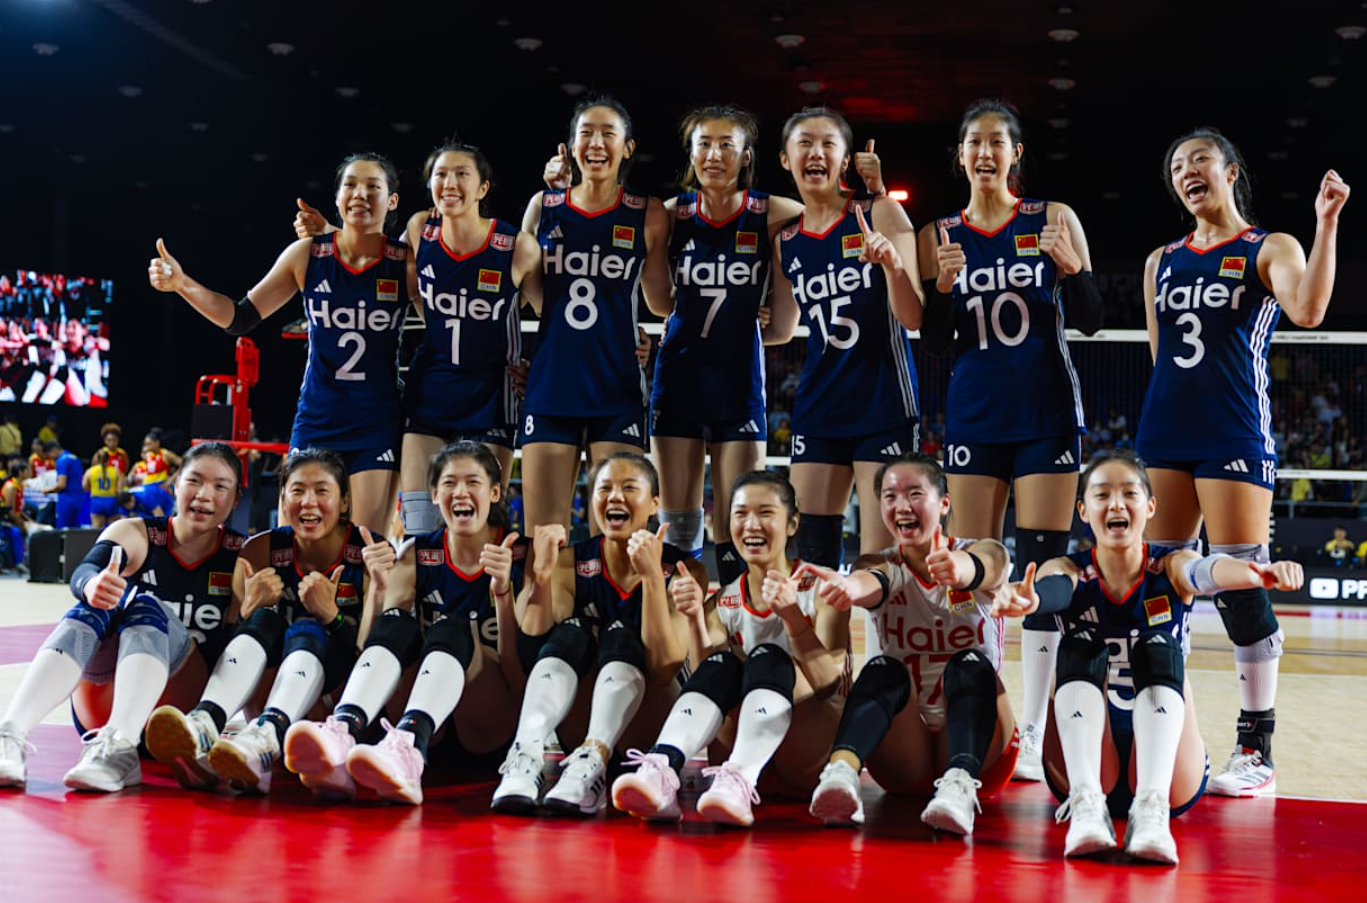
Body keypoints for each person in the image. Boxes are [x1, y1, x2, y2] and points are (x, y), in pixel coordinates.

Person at [1135, 128, 1349, 796]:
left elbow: (1308, 309)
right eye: (1176, 165)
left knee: (1240, 581)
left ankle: (1256, 748)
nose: (1186, 171)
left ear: (1230, 171)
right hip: (1164, 432)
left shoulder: (1269, 246)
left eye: (1199, 159)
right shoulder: (1160, 260)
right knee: (1158, 579)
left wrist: (1324, 224)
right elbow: (1159, 355)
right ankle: (1161, 725)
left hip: (1233, 431)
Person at [991, 451, 1303, 863]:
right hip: (1086, 760)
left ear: (1150, 506)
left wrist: (1252, 574)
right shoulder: (1067, 569)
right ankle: (1086, 806)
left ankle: (1151, 811)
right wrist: (1032, 600)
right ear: (1083, 511)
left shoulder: (1171, 566)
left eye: (1129, 493)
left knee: (1158, 646)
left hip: (1168, 771)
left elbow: (1204, 571)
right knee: (1080, 643)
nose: (1116, 504)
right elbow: (1054, 588)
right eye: (1102, 495)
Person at [916, 100, 1102, 783]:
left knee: (1040, 568)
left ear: (1015, 153)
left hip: (1046, 411)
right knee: (973, 566)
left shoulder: (1053, 218)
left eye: (997, 141)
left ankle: (1034, 723)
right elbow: (935, 343)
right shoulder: (938, 233)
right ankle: (982, 708)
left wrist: (1073, 271)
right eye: (974, 142)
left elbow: (1090, 321)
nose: (985, 152)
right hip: (974, 414)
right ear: (961, 155)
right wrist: (941, 287)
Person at [150, 153, 409, 534]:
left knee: (368, 546)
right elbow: (239, 318)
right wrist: (182, 284)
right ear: (337, 197)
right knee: (295, 543)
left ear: (392, 200)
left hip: (378, 423)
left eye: (373, 186)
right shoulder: (307, 254)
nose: (360, 194)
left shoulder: (405, 263)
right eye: (351, 185)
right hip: (318, 419)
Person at [294, 142, 542, 534]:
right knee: (419, 527)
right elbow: (373, 256)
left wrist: (538, 367)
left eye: (462, 174)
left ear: (483, 188)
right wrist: (329, 232)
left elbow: (556, 319)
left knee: (481, 524)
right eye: (441, 174)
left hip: (492, 396)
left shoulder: (516, 247)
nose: (450, 182)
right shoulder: (419, 229)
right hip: (430, 391)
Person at [282, 441, 531, 804]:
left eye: (472, 482)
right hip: (413, 719)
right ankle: (345, 729)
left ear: (494, 492)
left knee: (451, 628)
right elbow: (369, 651)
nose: (460, 492)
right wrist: (378, 589)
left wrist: (502, 594)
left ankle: (409, 745)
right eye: (449, 483)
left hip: (487, 724)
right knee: (397, 621)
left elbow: (517, 677)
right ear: (434, 495)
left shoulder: (519, 554)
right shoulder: (416, 554)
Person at [0, 443, 245, 792]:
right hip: (102, 705)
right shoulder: (137, 533)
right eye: (194, 481)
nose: (204, 495)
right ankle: (11, 734)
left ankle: (121, 744)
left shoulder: (243, 554)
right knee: (100, 603)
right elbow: (86, 570)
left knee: (146, 607)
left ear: (236, 500)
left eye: (220, 486)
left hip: (180, 716)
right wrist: (91, 585)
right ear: (175, 484)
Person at [610, 470, 848, 826]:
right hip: (725, 767)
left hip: (805, 754)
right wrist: (694, 618)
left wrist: (792, 617)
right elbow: (708, 678)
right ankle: (662, 765)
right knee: (722, 664)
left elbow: (830, 685)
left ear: (793, 523)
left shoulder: (822, 587)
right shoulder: (724, 600)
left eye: (765, 513)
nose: (751, 525)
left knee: (767, 658)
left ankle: (740, 774)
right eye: (740, 514)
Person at [799, 453, 1014, 836]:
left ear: (944, 503)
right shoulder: (880, 562)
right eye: (890, 496)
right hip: (904, 752)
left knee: (968, 662)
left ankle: (960, 786)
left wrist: (961, 570)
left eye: (914, 494)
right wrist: (849, 587)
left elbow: (988, 565)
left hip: (983, 753)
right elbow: (872, 580)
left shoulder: (984, 549)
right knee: (883, 668)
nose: (901, 506)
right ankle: (840, 773)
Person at [144, 448, 375, 794]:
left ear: (344, 501)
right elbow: (232, 648)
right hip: (270, 696)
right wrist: (246, 611)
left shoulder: (370, 553)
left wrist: (333, 616)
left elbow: (378, 655)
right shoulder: (259, 551)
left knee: (308, 628)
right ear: (282, 498)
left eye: (321, 491)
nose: (308, 502)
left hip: (341, 706)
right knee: (264, 619)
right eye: (297, 490)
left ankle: (265, 739)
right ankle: (209, 724)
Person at [491, 452, 704, 815]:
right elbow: (528, 657)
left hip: (647, 726)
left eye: (629, 487)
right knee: (571, 633)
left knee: (620, 634)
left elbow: (664, 668)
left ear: (655, 503)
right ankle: (526, 755)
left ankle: (596, 758)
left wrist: (653, 579)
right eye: (604, 489)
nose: (615, 496)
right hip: (579, 722)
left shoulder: (684, 569)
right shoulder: (570, 563)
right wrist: (540, 578)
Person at [648, 105, 806, 584]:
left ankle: (738, 623)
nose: (714, 155)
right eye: (704, 144)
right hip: (679, 378)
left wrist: (772, 307)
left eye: (726, 145)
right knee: (676, 528)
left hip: (739, 385)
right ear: (691, 153)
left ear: (746, 156)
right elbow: (659, 303)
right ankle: (680, 624)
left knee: (741, 519)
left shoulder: (773, 214)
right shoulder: (669, 216)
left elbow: (823, 217)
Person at [766, 107, 923, 569]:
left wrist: (893, 266)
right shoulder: (786, 241)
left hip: (883, 404)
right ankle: (823, 625)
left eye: (828, 144)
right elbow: (781, 329)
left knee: (881, 560)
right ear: (785, 158)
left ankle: (885, 626)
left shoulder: (879, 212)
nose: (816, 153)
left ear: (845, 159)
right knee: (811, 557)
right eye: (805, 143)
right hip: (818, 407)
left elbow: (914, 317)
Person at [518, 97, 672, 566]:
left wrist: (752, 306)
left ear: (628, 148)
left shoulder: (649, 213)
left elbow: (661, 302)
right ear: (570, 146)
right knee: (543, 541)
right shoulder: (543, 206)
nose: (597, 143)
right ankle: (551, 616)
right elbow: (533, 295)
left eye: (609, 134)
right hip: (552, 384)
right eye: (586, 133)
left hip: (616, 386)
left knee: (622, 539)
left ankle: (618, 615)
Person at [131, 429, 181, 517]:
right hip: (147, 487)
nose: (147, 447)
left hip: (160, 487)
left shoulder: (165, 454)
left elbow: (183, 464)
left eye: (149, 444)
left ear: (157, 443)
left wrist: (170, 480)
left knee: (162, 514)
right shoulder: (148, 454)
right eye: (146, 444)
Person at [43, 439, 85, 528]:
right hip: (79, 499)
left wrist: (47, 490)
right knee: (77, 531)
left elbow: (62, 485)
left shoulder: (61, 461)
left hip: (66, 501)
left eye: (49, 455)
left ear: (54, 450)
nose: (51, 458)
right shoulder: (74, 457)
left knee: (63, 531)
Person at [84, 448, 124, 529]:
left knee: (96, 531)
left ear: (96, 459)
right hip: (111, 501)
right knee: (114, 530)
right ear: (109, 459)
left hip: (97, 501)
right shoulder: (116, 470)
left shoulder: (90, 471)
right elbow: (119, 489)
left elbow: (84, 487)